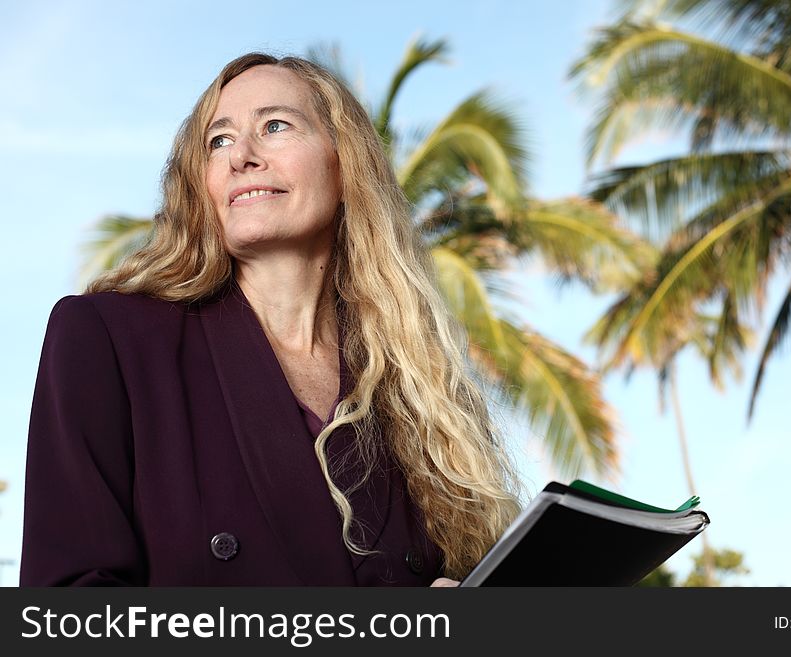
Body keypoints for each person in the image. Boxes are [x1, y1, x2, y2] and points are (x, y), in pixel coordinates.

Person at [20, 53, 522, 586]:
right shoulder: (108, 337)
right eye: (219, 141)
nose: (241, 157)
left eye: (275, 125)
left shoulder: (414, 385)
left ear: (343, 162)